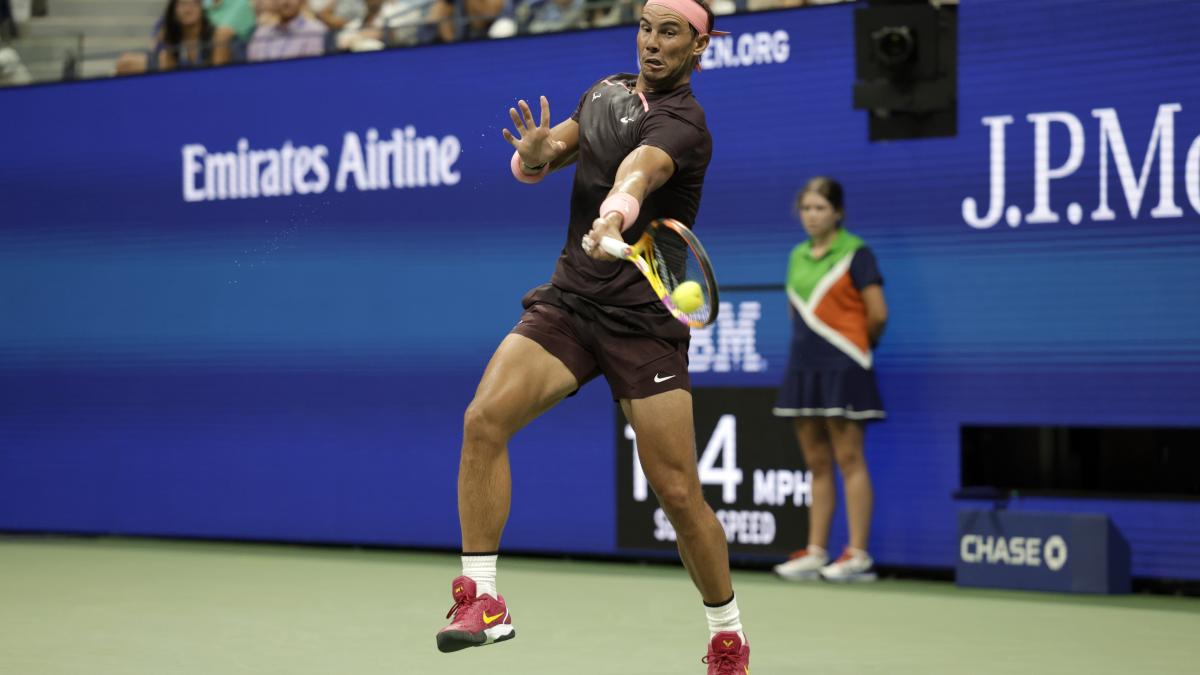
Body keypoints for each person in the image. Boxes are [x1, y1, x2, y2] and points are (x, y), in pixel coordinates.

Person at [434, 1, 750, 672]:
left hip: (643, 323)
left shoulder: (685, 123)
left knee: (677, 492)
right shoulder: (605, 92)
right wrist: (535, 153)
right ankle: (482, 600)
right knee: (484, 418)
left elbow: (642, 170)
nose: (653, 43)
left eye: (671, 32)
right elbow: (553, 154)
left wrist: (615, 215)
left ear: (700, 48)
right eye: (645, 27)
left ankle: (727, 633)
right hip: (573, 302)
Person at [770, 177, 888, 583]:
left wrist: (852, 349)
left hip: (846, 366)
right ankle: (816, 552)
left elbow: (878, 314)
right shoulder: (796, 256)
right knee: (816, 463)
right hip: (805, 367)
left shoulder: (857, 254)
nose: (812, 216)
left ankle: (857, 555)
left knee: (849, 458)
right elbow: (794, 315)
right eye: (806, 208)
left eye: (820, 208)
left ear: (837, 212)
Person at [246, 0, 326, 62]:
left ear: (302, 0)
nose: (285, 2)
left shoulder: (316, 30)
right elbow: (251, 71)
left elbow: (313, 69)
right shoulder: (260, 34)